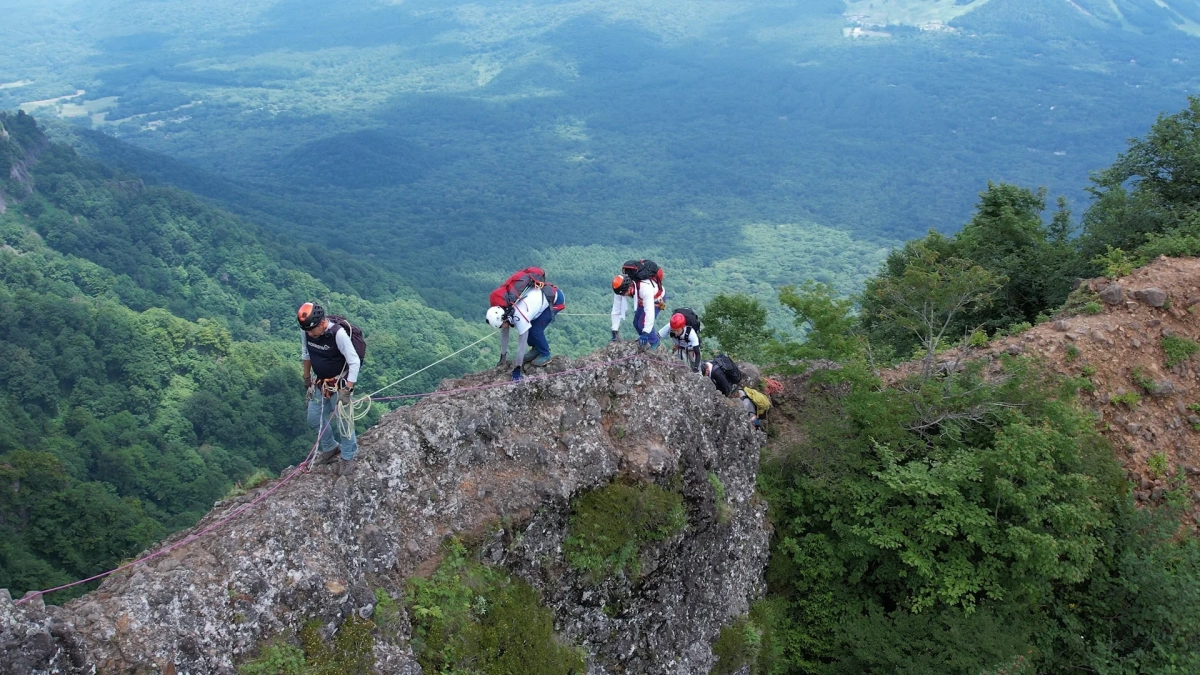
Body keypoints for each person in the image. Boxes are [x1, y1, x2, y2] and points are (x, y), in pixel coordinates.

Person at [298, 302, 360, 476]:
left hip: (340, 384)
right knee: (313, 417)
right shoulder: (307, 331)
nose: (309, 334)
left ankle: (349, 456)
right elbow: (306, 352)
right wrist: (306, 377)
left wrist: (347, 389)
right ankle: (330, 446)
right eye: (307, 331)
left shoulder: (337, 334)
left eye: (312, 330)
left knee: (344, 421)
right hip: (320, 383)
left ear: (321, 323)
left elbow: (354, 361)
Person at [487, 279, 555, 381]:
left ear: (504, 321)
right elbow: (504, 334)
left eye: (501, 326)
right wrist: (503, 357)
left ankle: (546, 354)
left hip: (553, 298)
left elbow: (521, 345)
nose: (502, 328)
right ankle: (537, 349)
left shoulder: (519, 317)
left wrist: (517, 368)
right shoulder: (505, 311)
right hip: (539, 297)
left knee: (534, 331)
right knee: (531, 330)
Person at [611, 272, 663, 349]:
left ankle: (655, 342)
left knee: (642, 323)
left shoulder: (644, 288)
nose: (623, 296)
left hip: (656, 299)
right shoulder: (620, 290)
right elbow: (616, 309)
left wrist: (646, 332)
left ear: (629, 288)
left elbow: (649, 312)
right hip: (641, 300)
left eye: (623, 294)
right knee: (636, 323)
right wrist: (614, 330)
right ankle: (645, 340)